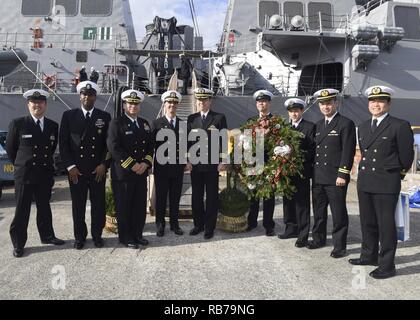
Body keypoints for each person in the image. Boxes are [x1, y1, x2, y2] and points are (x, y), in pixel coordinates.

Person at [349, 86, 414, 279]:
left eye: (380, 101)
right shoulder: (362, 126)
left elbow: (406, 157)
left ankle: (387, 265)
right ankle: (369, 255)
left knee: (386, 226)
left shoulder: (399, 125)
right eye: (372, 101)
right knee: (367, 222)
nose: (375, 105)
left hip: (386, 183)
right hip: (366, 182)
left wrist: (395, 176)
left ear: (388, 103)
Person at [6, 89, 65, 258]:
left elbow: (51, 149)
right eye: (34, 102)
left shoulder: (53, 126)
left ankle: (47, 236)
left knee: (44, 208)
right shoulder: (18, 124)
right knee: (22, 210)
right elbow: (11, 150)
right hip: (25, 174)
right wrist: (21, 165)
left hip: (44, 174)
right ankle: (18, 244)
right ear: (28, 104)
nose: (37, 105)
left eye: (40, 102)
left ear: (45, 104)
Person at [59, 81, 111, 250]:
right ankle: (79, 237)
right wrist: (70, 167)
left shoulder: (104, 117)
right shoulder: (68, 116)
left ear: (95, 97)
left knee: (98, 205)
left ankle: (97, 236)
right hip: (77, 170)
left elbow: (108, 145)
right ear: (80, 96)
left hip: (97, 170)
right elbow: (64, 144)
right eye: (84, 94)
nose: (87, 97)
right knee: (78, 205)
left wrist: (104, 164)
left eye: (90, 95)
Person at [309, 88, 356, 258]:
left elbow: (348, 151)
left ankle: (339, 246)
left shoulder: (346, 123)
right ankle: (318, 239)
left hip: (335, 178)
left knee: (338, 214)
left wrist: (343, 174)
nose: (326, 106)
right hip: (318, 177)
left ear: (336, 103)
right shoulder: (318, 125)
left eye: (329, 103)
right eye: (322, 103)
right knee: (319, 211)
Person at [107, 89, 153, 248]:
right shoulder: (116, 123)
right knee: (124, 206)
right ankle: (126, 238)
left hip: (140, 173)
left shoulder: (144, 124)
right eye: (130, 103)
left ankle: (138, 235)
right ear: (124, 105)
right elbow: (114, 147)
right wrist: (133, 165)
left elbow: (150, 148)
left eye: (136, 104)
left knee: (139, 206)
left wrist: (146, 164)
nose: (133, 106)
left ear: (139, 105)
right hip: (124, 174)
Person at [187, 88, 228, 239]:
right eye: (199, 100)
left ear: (210, 101)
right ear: (196, 102)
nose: (201, 103)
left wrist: (223, 160)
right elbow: (187, 141)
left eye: (204, 100)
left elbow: (223, 139)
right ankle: (198, 224)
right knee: (196, 196)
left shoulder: (219, 118)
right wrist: (187, 160)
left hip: (212, 165)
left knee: (211, 197)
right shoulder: (191, 119)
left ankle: (209, 227)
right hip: (196, 165)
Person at [278, 98, 315, 247]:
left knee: (302, 203)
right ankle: (290, 228)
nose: (294, 113)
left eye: (297, 111)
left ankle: (303, 234)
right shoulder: (285, 127)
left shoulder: (309, 127)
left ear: (302, 111)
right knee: (288, 201)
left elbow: (313, 149)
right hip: (287, 172)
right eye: (291, 111)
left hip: (302, 171)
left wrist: (295, 156)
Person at [153, 90, 186, 237]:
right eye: (169, 102)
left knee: (175, 197)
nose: (172, 105)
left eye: (174, 103)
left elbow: (187, 146)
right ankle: (160, 224)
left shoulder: (183, 125)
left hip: (177, 168)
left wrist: (187, 161)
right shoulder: (157, 124)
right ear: (164, 104)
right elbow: (151, 146)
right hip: (162, 168)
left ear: (177, 105)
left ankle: (175, 224)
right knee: (161, 198)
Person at [246, 90, 277, 236]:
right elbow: (245, 143)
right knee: (253, 195)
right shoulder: (251, 121)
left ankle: (268, 224)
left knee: (269, 196)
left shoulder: (276, 122)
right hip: (253, 164)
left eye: (264, 101)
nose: (261, 104)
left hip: (270, 163)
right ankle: (251, 222)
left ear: (269, 103)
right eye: (259, 102)